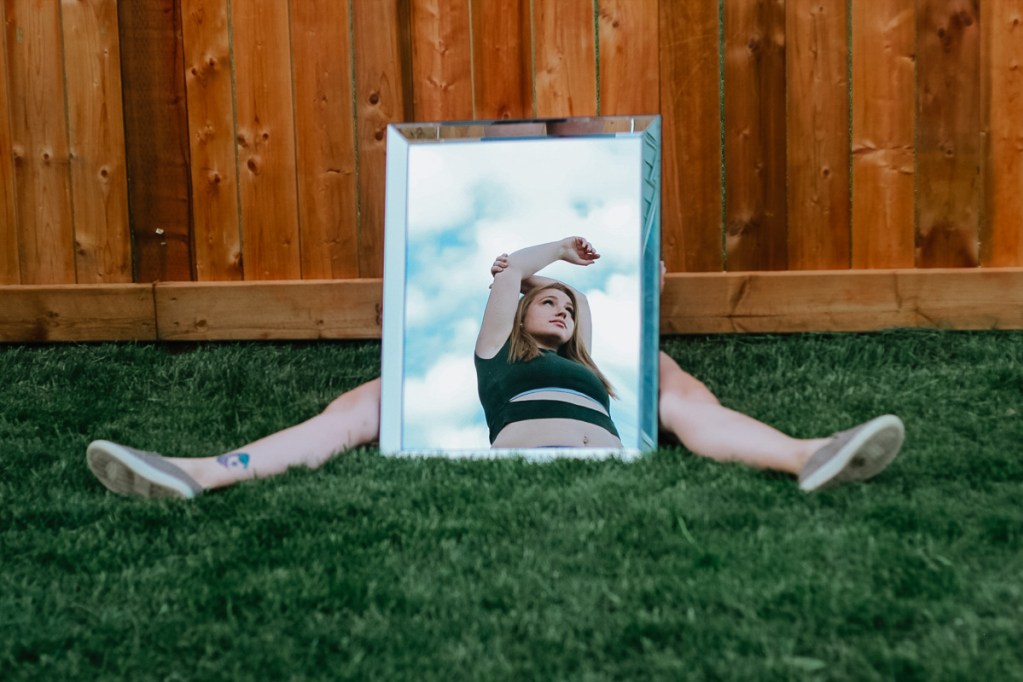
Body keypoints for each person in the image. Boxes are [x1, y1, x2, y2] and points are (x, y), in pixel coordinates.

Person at [86, 237, 904, 500]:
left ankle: (807, 454)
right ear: (519, 315)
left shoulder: (612, 369)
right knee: (364, 402)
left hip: (602, 462)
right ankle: (204, 470)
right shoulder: (494, 360)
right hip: (521, 461)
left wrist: (643, 296)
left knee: (680, 392)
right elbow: (510, 276)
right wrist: (554, 254)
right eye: (549, 301)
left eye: (571, 305)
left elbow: (687, 401)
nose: (562, 307)